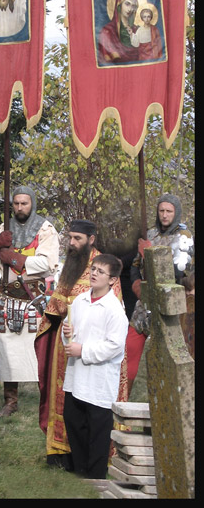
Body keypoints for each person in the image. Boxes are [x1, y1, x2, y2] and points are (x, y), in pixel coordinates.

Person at [34, 219, 123, 470]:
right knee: (68, 408)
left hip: (94, 357)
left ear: (91, 239)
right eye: (70, 238)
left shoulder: (105, 267)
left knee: (94, 413)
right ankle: (63, 454)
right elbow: (59, 302)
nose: (72, 244)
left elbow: (113, 332)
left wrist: (84, 348)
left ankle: (92, 465)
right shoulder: (72, 264)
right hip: (66, 351)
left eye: (77, 239)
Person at [0, 186, 60, 417]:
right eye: (16, 203)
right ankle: (11, 401)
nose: (20, 207)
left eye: (24, 203)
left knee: (38, 349)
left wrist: (16, 258)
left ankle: (45, 400)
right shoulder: (3, 228)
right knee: (7, 350)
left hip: (33, 299)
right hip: (8, 298)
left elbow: (48, 262)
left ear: (32, 204)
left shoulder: (45, 229)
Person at [62, 254, 129, 479]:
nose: (93, 274)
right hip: (76, 375)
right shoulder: (80, 300)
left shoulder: (114, 309)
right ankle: (81, 470)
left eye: (100, 271)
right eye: (93, 269)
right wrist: (67, 335)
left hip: (99, 378)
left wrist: (83, 350)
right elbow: (68, 328)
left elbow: (114, 346)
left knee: (97, 429)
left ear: (112, 280)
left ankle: (96, 475)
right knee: (74, 421)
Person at [128, 193, 194, 396]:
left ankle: (171, 400)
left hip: (169, 305)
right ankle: (120, 401)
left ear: (176, 213)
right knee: (129, 351)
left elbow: (176, 273)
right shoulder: (150, 233)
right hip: (145, 303)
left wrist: (151, 253)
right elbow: (135, 265)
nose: (164, 215)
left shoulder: (184, 237)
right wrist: (136, 284)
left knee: (169, 356)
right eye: (161, 210)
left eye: (169, 211)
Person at [98, 0, 139, 65]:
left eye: (133, 6)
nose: (130, 9)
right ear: (119, 5)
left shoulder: (137, 30)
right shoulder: (107, 31)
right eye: (127, 4)